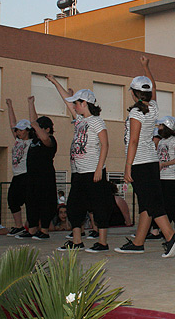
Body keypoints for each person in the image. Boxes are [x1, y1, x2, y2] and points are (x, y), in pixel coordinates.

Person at [114, 56, 175, 257]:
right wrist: (146, 67)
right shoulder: (153, 107)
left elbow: (133, 141)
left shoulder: (137, 112)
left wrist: (127, 166)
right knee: (146, 204)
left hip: (140, 163)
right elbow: (155, 87)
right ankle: (138, 243)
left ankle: (170, 236)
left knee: (151, 203)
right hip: (151, 161)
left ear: (133, 93)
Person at [47, 75, 113, 253]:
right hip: (79, 172)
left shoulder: (96, 121)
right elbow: (66, 100)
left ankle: (102, 242)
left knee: (99, 206)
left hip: (93, 171)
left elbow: (105, 144)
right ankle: (77, 241)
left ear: (84, 103)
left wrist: (99, 169)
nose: (74, 106)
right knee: (74, 206)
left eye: (77, 103)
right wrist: (55, 82)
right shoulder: (79, 119)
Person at [16, 96, 58, 241]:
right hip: (32, 177)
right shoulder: (35, 140)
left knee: (45, 203)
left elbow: (44, 137)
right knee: (31, 203)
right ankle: (32, 229)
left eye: (40, 128)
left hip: (45, 178)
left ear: (47, 129)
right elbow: (34, 122)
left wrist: (35, 125)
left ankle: (44, 230)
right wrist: (30, 104)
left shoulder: (50, 140)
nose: (36, 130)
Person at [5, 99, 33, 237]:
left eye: (21, 130)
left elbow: (35, 122)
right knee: (12, 200)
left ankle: (30, 226)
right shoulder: (18, 141)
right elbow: (12, 124)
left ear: (27, 131)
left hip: (26, 174)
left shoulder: (31, 142)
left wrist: (30, 104)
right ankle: (18, 225)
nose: (18, 132)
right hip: (17, 175)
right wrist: (10, 106)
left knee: (29, 201)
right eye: (18, 130)